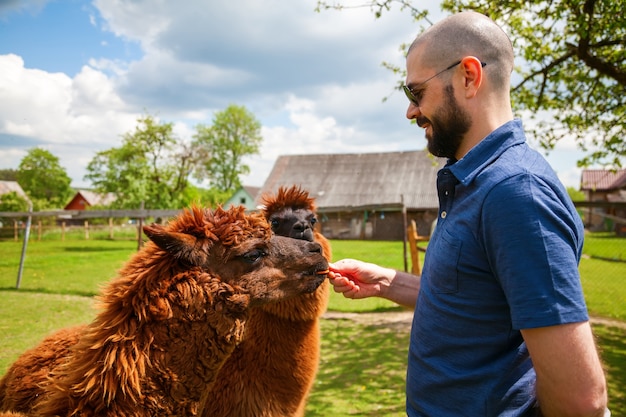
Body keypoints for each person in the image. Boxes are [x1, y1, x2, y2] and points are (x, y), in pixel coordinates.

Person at [329, 11, 609, 417]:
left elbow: (581, 401)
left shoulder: (515, 194)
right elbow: (477, 301)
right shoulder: (475, 182)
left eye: (416, 92)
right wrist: (388, 282)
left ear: (468, 76)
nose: (411, 111)